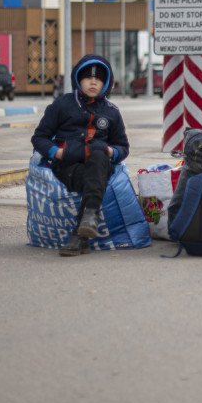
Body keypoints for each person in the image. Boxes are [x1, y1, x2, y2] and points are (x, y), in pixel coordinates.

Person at [31, 54, 130, 256]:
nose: (93, 82)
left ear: (106, 82)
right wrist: (56, 153)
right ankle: (86, 224)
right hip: (68, 167)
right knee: (92, 179)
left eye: (99, 78)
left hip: (100, 165)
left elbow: (123, 146)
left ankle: (80, 234)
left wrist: (112, 151)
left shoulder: (112, 111)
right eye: (88, 77)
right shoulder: (62, 104)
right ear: (78, 78)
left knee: (98, 156)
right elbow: (39, 137)